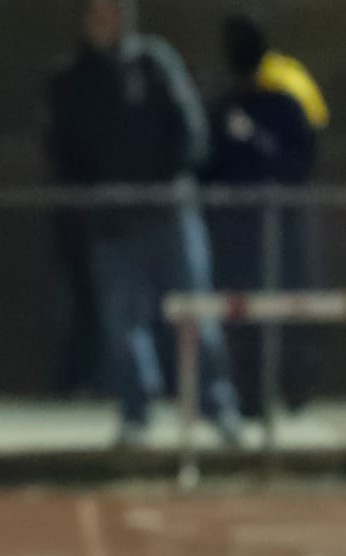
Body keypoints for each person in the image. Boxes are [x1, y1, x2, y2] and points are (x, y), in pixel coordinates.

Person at [44, 0, 240, 448]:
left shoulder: (156, 62)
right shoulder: (76, 78)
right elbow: (65, 147)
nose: (112, 19)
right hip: (111, 222)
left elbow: (189, 130)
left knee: (197, 315)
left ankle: (216, 406)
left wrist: (162, 178)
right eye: (102, 11)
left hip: (168, 211)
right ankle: (136, 412)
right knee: (123, 323)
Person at [201, 13, 320, 418]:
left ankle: (295, 391)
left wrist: (255, 139)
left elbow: (300, 160)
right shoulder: (222, 107)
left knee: (288, 310)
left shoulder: (284, 101)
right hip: (235, 231)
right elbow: (206, 167)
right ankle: (248, 398)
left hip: (281, 228)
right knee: (240, 315)